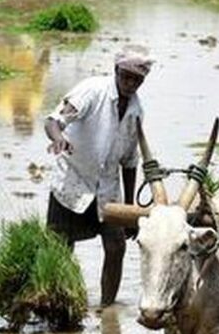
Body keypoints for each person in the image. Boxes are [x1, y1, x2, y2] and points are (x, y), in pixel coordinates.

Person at [43, 45, 154, 308]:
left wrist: (129, 211)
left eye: (137, 79)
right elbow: (53, 121)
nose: (130, 83)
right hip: (72, 181)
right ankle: (60, 304)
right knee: (59, 248)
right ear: (116, 71)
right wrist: (59, 139)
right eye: (126, 76)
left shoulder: (136, 112)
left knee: (116, 247)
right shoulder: (92, 91)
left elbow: (129, 162)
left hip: (108, 189)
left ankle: (106, 310)